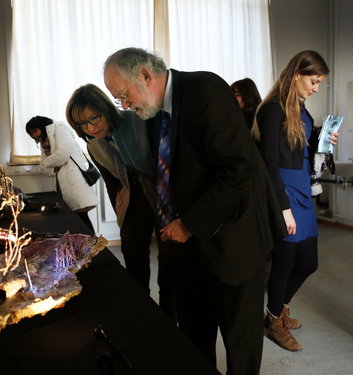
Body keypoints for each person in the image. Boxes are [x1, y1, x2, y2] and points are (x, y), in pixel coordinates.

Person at [103, 47, 286, 374]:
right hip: (190, 250)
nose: (124, 104)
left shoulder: (205, 91)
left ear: (145, 75)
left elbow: (238, 170)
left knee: (239, 347)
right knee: (193, 338)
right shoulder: (153, 112)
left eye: (123, 95)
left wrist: (188, 224)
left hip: (233, 242)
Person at [65, 84, 179, 321]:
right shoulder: (93, 145)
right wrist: (121, 215)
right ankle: (142, 315)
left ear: (106, 109)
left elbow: (165, 162)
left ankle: (169, 320)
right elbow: (112, 183)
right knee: (134, 261)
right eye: (82, 124)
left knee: (169, 265)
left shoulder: (137, 120)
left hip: (160, 198)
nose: (90, 127)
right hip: (132, 204)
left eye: (93, 118)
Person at [253, 50, 338, 351]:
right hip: (285, 192)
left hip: (303, 188)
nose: (316, 88)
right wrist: (283, 208)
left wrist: (320, 138)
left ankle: (279, 309)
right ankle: (274, 320)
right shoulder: (272, 109)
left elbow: (298, 145)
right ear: (297, 74)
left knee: (309, 262)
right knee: (285, 264)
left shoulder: (301, 108)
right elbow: (269, 163)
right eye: (313, 81)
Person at [25, 115, 97, 231]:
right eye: (31, 134)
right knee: (73, 219)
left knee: (81, 217)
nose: (33, 135)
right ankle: (82, 246)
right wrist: (50, 165)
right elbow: (45, 170)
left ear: (41, 125)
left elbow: (62, 155)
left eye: (34, 131)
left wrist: (46, 163)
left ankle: (94, 246)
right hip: (61, 183)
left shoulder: (60, 128)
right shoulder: (45, 140)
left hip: (73, 179)